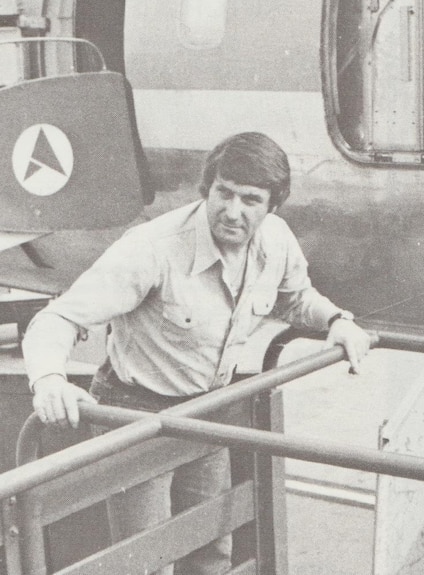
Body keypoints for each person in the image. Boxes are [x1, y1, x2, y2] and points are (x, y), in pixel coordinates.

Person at [22, 132, 372, 574]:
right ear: (207, 188)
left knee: (210, 552)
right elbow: (58, 317)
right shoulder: (152, 248)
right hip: (137, 416)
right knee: (147, 561)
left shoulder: (276, 240)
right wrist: (50, 379)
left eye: (250, 199)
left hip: (210, 410)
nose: (232, 211)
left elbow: (296, 297)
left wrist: (337, 321)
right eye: (223, 193)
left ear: (272, 206)